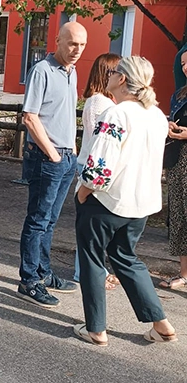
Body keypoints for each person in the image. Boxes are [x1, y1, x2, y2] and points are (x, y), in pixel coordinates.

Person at [74, 56, 176, 346]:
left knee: (92, 259)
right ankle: (161, 322)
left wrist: (83, 193)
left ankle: (96, 328)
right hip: (140, 203)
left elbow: (100, 165)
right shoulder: (156, 115)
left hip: (106, 201)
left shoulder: (117, 114)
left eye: (114, 71)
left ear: (122, 79)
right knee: (126, 258)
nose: (109, 74)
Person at [17, 20, 87, 307]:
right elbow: (30, 117)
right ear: (57, 40)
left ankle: (44, 273)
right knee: (37, 220)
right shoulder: (42, 70)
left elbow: (66, 113)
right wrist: (54, 153)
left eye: (82, 45)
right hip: (47, 157)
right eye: (72, 43)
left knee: (50, 220)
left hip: (65, 156)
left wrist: (70, 150)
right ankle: (29, 280)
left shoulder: (71, 72)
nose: (77, 50)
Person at [72, 53, 120, 289]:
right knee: (91, 225)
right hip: (92, 165)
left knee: (92, 224)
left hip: (89, 162)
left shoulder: (99, 101)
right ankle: (88, 272)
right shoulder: (102, 103)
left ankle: (94, 270)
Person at [161, 48, 187, 290]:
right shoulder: (179, 94)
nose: (186, 67)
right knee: (179, 216)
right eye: (183, 63)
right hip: (178, 161)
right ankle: (184, 274)